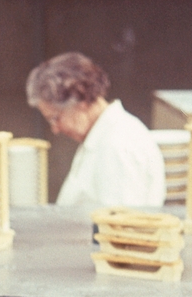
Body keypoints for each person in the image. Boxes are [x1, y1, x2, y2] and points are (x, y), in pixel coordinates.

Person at [26, 52, 165, 212]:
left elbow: (120, 223)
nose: (55, 129)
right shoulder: (101, 136)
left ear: (82, 101)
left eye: (55, 118)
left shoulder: (117, 146)